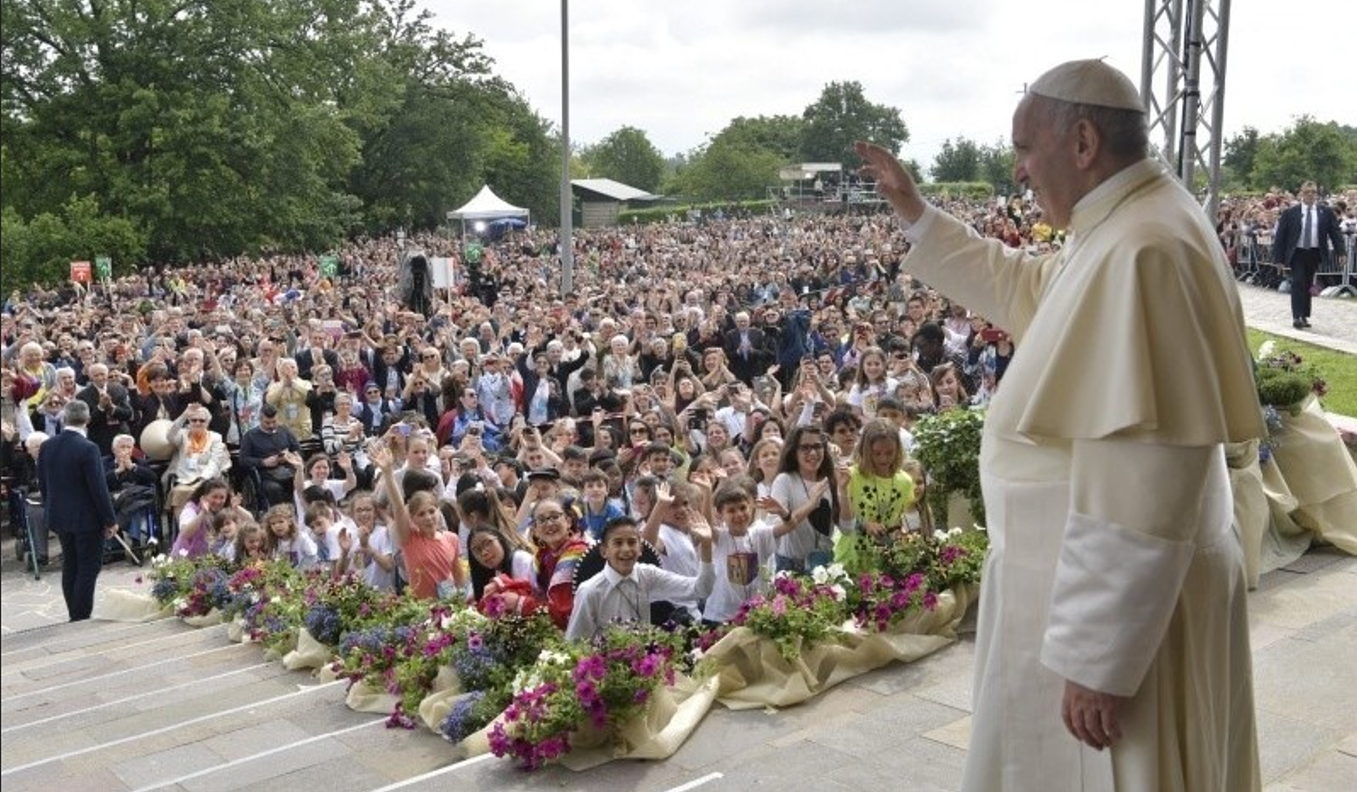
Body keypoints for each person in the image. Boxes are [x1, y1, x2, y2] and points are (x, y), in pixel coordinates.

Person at [856, 58, 1264, 792]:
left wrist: (1097, 658)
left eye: (1022, 148)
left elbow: (1145, 473)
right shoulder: (1120, 222)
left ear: (1081, 143)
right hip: (1081, 589)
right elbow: (1027, 285)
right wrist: (917, 213)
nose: (1016, 171)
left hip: (1123, 619)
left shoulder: (1145, 247)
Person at [565, 515, 713, 642]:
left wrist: (706, 546)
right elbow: (575, 643)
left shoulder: (648, 575)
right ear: (604, 551)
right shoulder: (590, 591)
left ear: (641, 549)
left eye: (632, 542)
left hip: (645, 664)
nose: (626, 549)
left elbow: (701, 590)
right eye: (618, 543)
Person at [36, 399, 118, 621]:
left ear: (64, 418)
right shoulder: (88, 448)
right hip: (87, 519)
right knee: (88, 568)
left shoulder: (47, 445)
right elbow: (98, 488)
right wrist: (110, 519)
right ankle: (80, 617)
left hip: (60, 516)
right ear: (88, 420)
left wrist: (51, 507)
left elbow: (42, 483)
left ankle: (75, 613)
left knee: (71, 565)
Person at [1271, 179, 1348, 328]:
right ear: (1301, 194)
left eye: (1313, 192)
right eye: (1307, 192)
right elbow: (1281, 237)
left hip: (1314, 252)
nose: (1311, 195)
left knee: (1307, 283)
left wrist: (1341, 252)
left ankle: (1304, 315)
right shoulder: (1290, 213)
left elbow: (1335, 233)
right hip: (1297, 252)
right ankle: (1297, 316)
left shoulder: (1325, 212)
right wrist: (1278, 259)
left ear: (1317, 194)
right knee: (1298, 281)